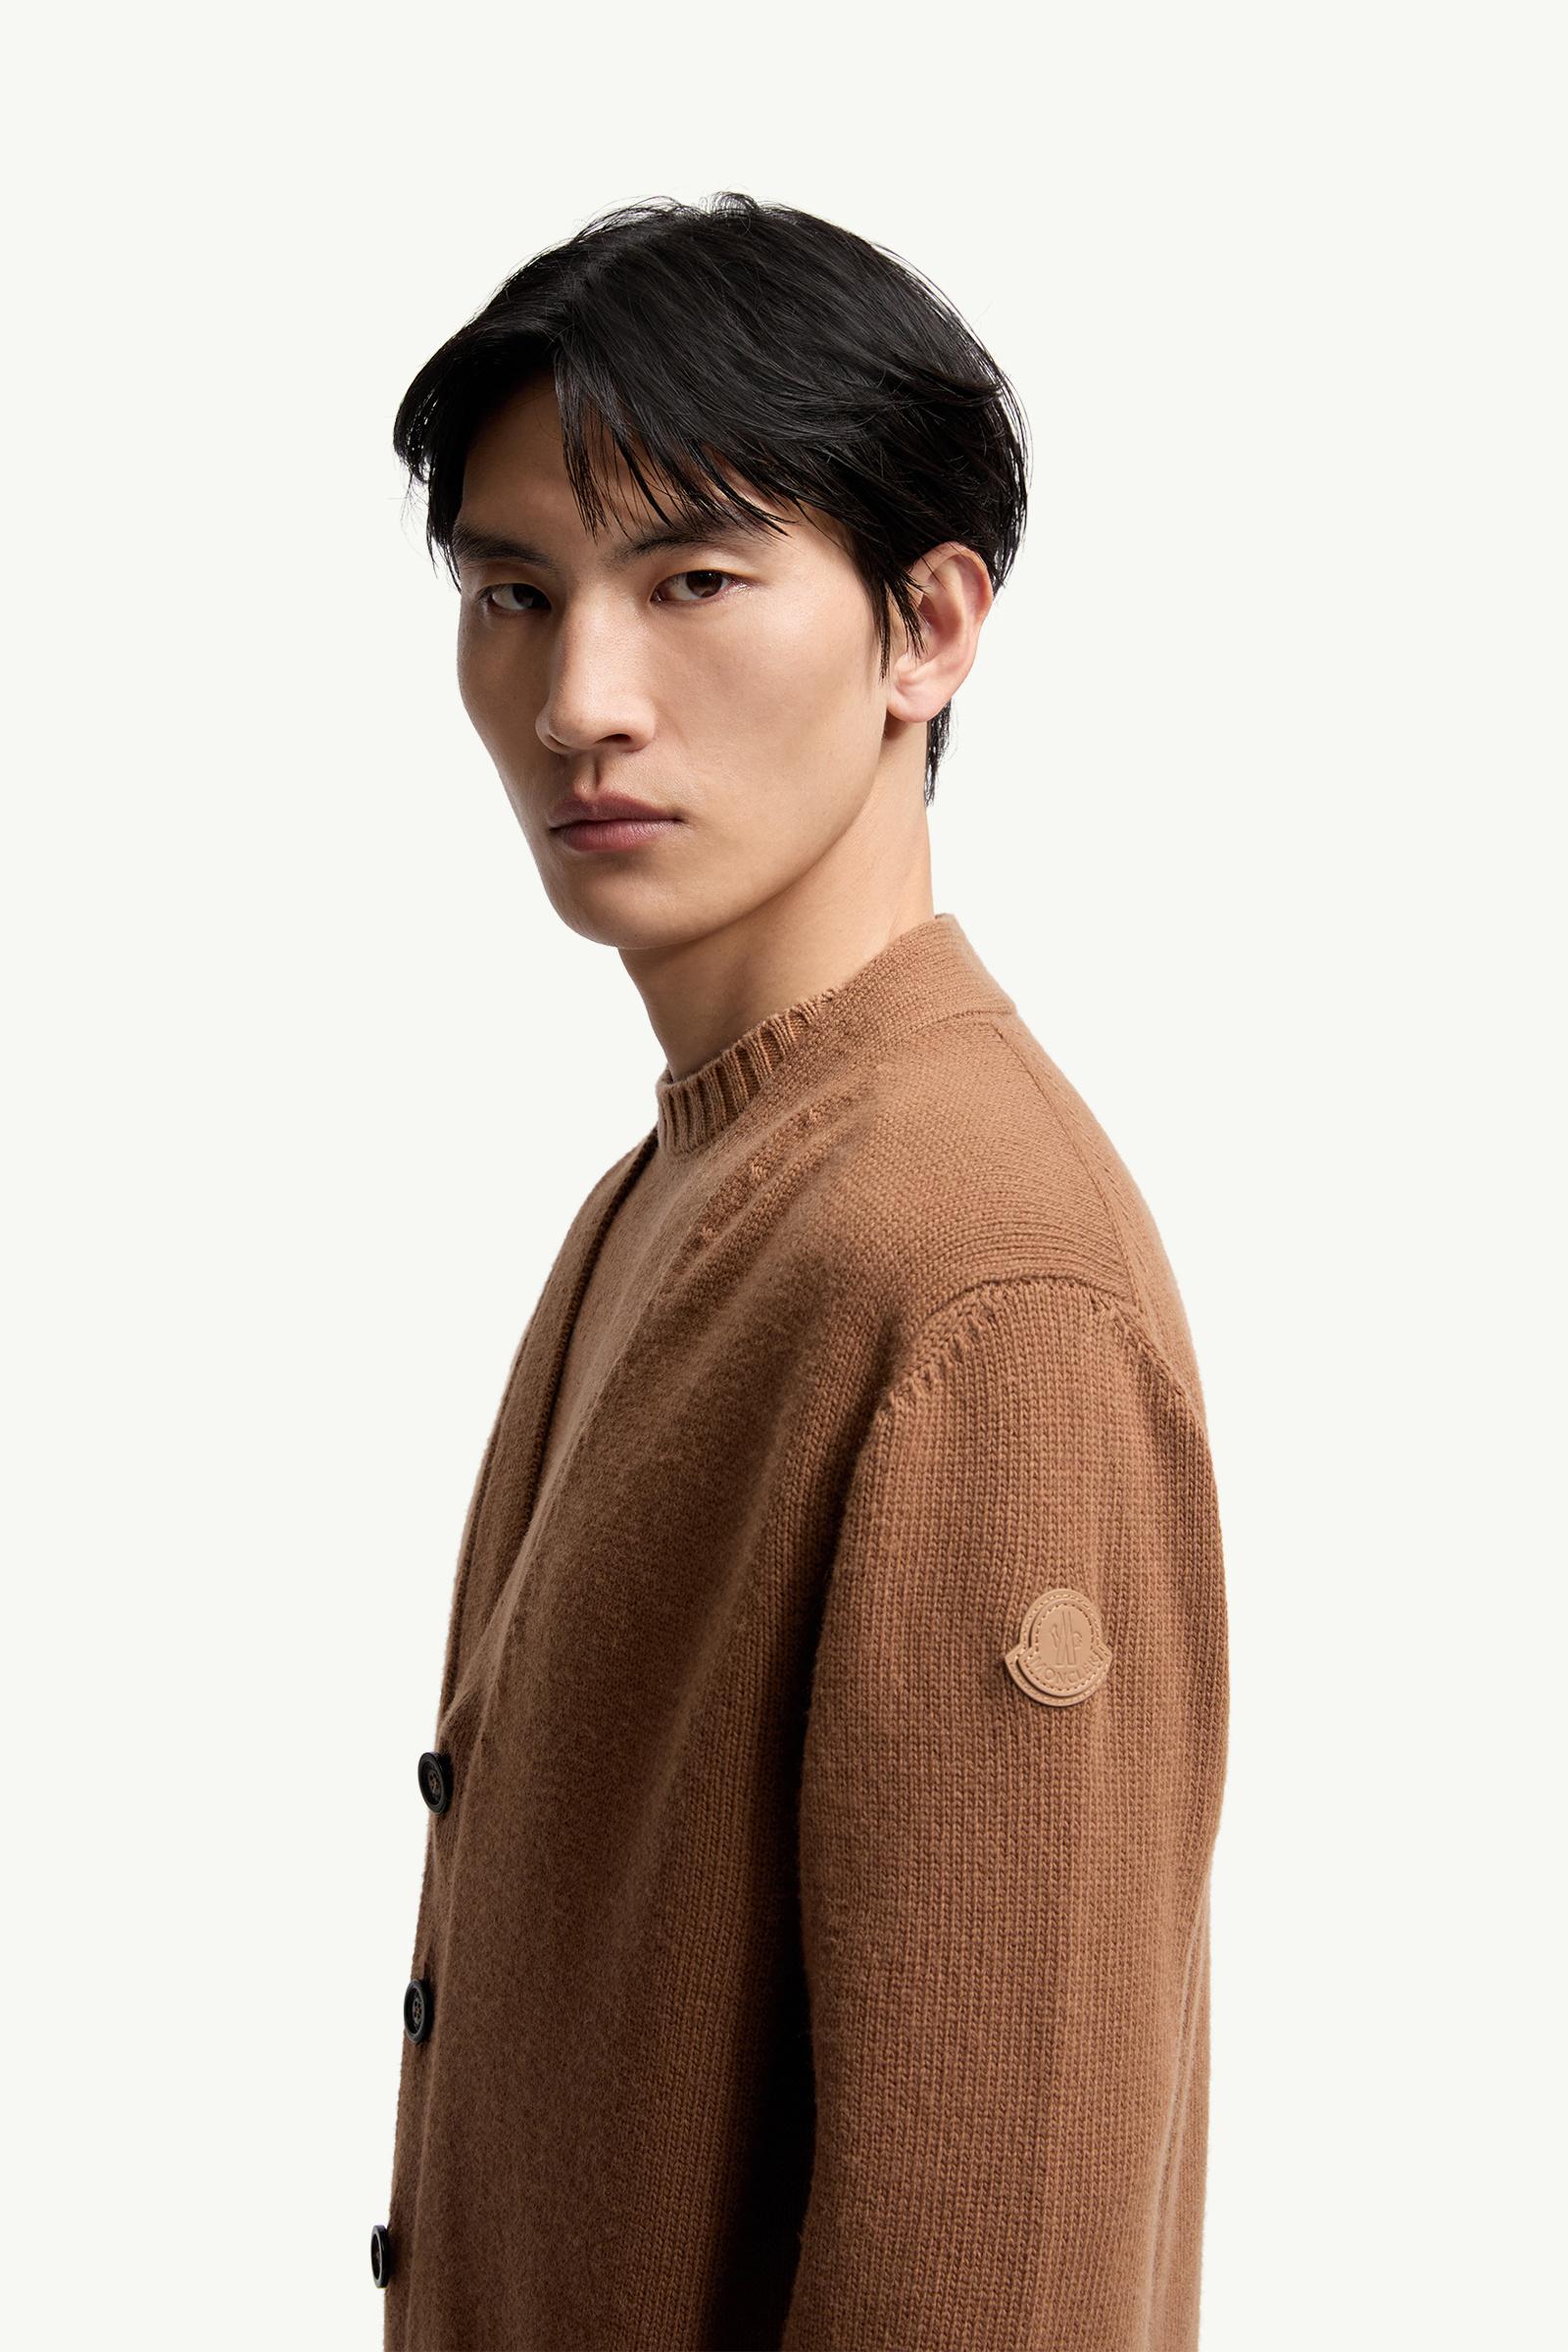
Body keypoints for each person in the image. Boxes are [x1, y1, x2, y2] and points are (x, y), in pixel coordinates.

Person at [372, 191, 1229, 2351]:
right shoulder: (676, 1184)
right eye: (512, 593)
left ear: (927, 629)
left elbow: (997, 2257)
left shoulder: (975, 1282)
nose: (580, 701)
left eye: (693, 582)